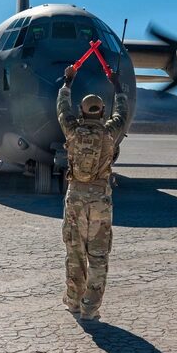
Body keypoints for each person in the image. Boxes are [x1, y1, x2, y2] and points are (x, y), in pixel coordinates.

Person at [57, 64, 128, 321]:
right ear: (103, 113)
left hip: (75, 197)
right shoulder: (110, 133)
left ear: (82, 111)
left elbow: (62, 108)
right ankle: (90, 307)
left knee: (75, 252)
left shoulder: (72, 130)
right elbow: (123, 111)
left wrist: (68, 82)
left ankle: (74, 301)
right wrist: (117, 85)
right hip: (100, 200)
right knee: (98, 255)